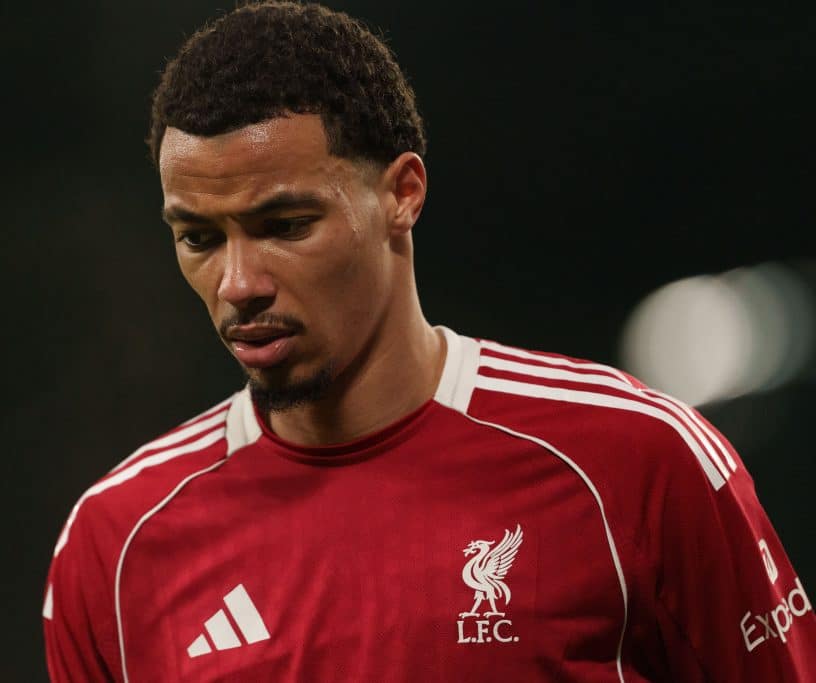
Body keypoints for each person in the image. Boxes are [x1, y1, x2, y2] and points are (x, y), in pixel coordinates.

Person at [42, 2, 815, 680]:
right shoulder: (117, 544)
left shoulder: (636, 461)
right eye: (199, 237)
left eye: (285, 226)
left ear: (401, 193)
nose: (239, 281)